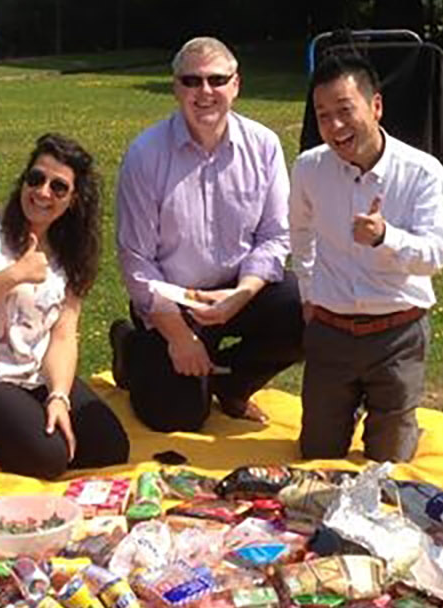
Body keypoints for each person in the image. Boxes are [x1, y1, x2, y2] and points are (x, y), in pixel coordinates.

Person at [111, 36, 302, 431]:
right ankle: (130, 346)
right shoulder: (145, 154)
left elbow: (275, 236)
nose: (205, 92)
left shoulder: (263, 145)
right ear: (175, 88)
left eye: (217, 80)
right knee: (176, 417)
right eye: (191, 81)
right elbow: (136, 259)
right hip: (171, 299)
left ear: (236, 84)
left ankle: (232, 386)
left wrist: (242, 293)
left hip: (242, 290)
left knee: (308, 307)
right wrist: (180, 336)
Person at [0, 134, 130, 479]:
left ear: (74, 200)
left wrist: (59, 397)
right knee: (48, 459)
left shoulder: (72, 254)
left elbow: (64, 337)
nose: (43, 192)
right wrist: (13, 275)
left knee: (109, 448)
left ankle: (14, 424)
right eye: (35, 178)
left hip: (28, 375)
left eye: (59, 187)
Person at [288, 53, 443, 463]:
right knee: (318, 455)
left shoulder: (422, 172)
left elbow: (435, 257)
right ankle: (351, 412)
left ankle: (399, 418)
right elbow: (301, 234)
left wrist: (385, 237)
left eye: (345, 111)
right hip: (331, 332)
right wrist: (309, 293)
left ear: (376, 105)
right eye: (324, 116)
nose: (335, 127)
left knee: (389, 463)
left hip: (397, 334)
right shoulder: (309, 168)